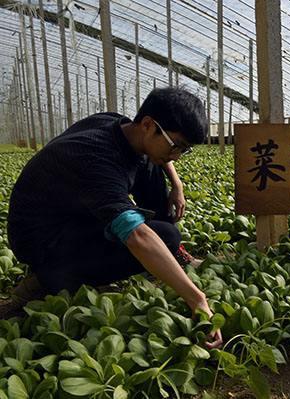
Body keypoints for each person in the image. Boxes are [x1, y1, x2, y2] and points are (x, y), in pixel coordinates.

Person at [8, 87, 222, 347]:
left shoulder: (120, 125)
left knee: (151, 163)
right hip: (43, 240)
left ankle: (171, 254)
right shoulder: (95, 158)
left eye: (184, 150)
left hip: (74, 214)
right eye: (177, 146)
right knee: (164, 237)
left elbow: (160, 150)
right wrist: (197, 299)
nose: (176, 155)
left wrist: (176, 183)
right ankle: (45, 280)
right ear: (147, 124)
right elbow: (137, 237)